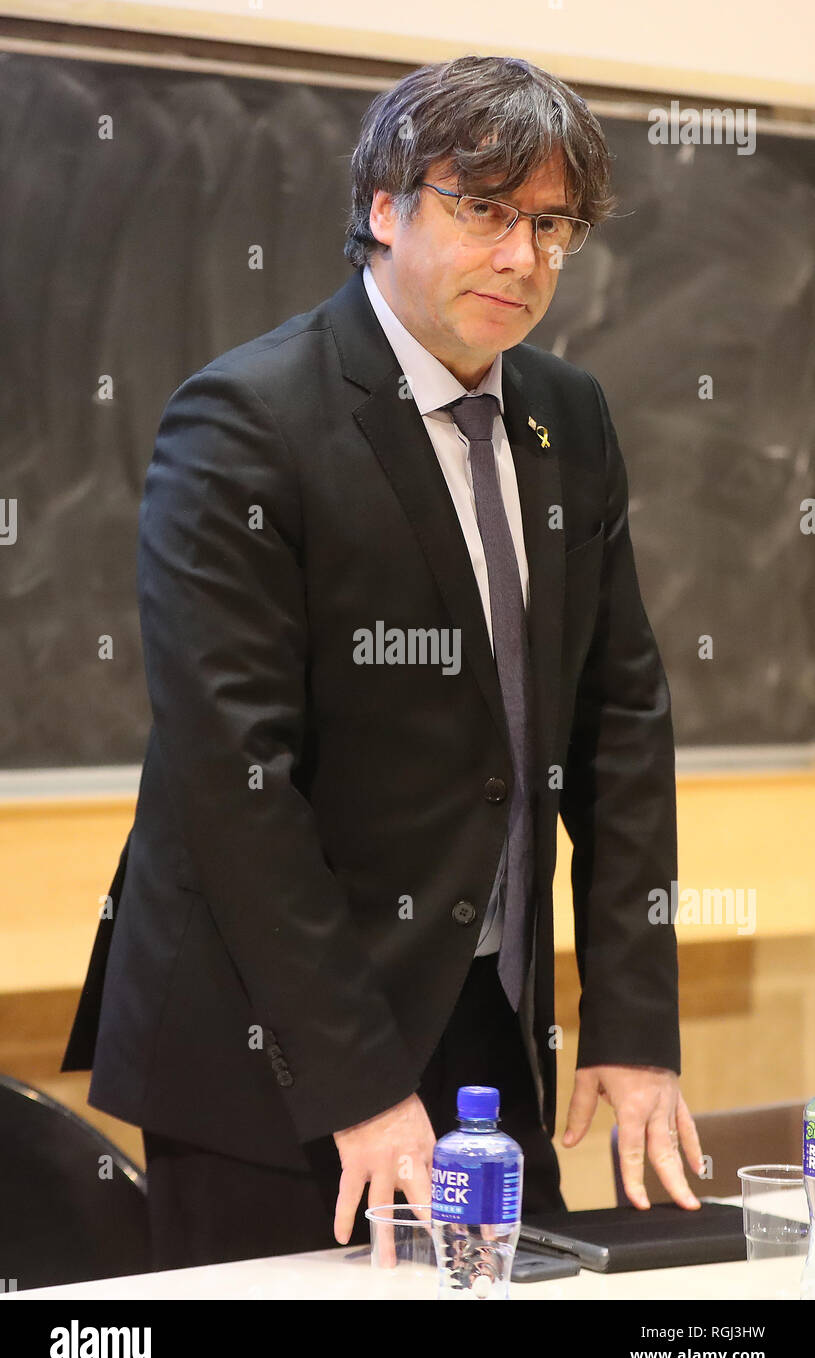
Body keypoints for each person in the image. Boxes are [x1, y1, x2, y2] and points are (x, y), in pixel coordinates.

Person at [62, 53, 703, 1272]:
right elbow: (229, 778)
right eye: (483, 209)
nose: (523, 258)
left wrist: (631, 1022)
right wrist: (356, 1082)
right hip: (277, 1040)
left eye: (550, 224)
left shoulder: (566, 415)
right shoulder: (245, 419)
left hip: (489, 1021)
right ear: (383, 207)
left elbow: (620, 720)